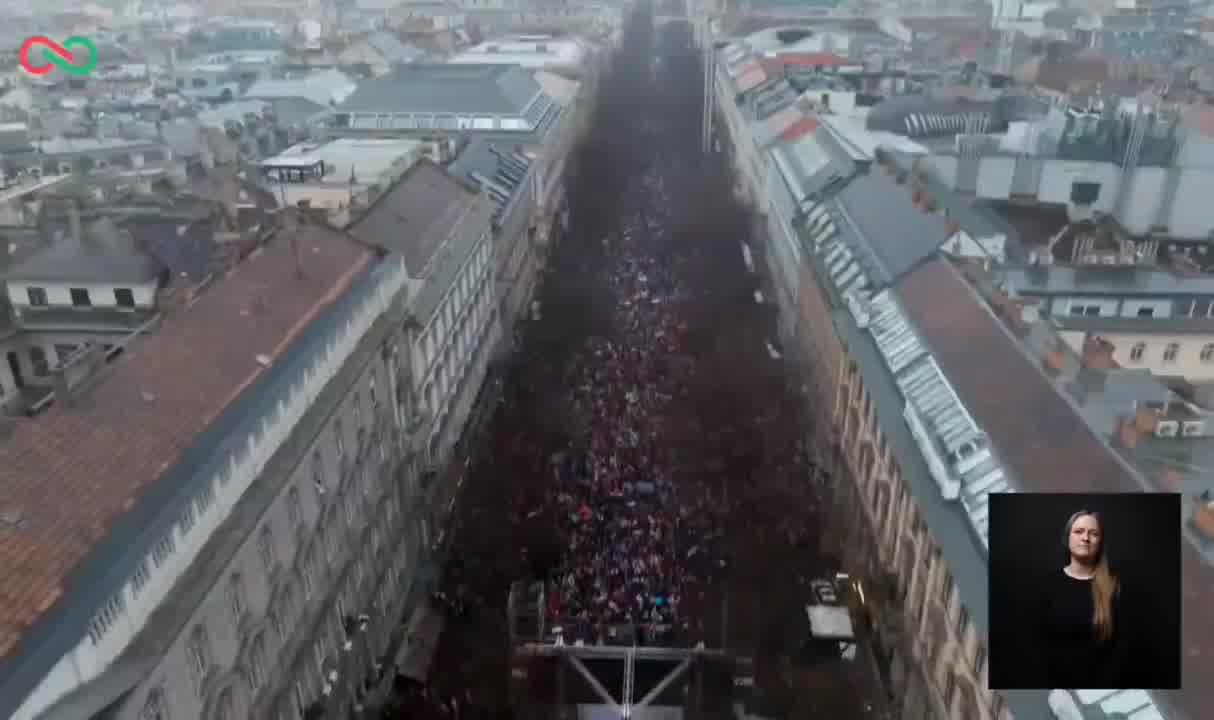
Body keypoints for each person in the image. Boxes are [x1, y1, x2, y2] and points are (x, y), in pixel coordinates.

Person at [1036, 510, 1134, 688]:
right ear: (1068, 538)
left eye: (1093, 533)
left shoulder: (1115, 587)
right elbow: (1035, 642)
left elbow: (1123, 649)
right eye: (1079, 531)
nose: (1086, 538)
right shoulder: (1046, 584)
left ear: (1100, 542)